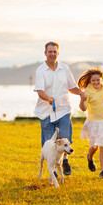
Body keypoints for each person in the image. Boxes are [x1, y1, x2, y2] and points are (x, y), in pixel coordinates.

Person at [34, 41, 86, 176]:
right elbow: (39, 91)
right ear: (45, 53)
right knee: (49, 141)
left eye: (54, 51)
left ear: (58, 53)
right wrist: (48, 99)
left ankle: (65, 161)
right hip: (46, 111)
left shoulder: (64, 69)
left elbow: (72, 87)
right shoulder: (41, 70)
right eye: (49, 51)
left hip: (63, 108)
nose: (52, 54)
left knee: (65, 135)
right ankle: (54, 170)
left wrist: (80, 92)